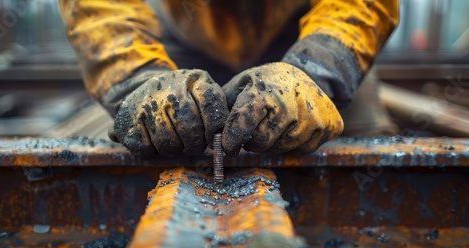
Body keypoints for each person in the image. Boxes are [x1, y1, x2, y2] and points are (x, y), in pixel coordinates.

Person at [58, 0, 399, 158]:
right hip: (185, 36)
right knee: (159, 140)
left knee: (366, 151)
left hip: (309, 30)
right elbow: (99, 8)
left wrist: (316, 73)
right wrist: (138, 77)